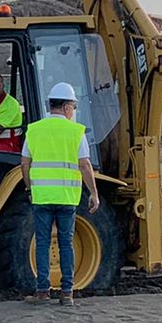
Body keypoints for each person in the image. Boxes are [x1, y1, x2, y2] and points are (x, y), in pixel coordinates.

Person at [19, 81, 98, 305]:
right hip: (67, 199)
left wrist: (29, 187)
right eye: (73, 106)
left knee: (42, 243)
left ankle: (42, 292)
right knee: (66, 244)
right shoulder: (76, 132)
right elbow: (84, 165)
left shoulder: (34, 130)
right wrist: (94, 193)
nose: (73, 111)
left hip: (42, 198)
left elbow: (25, 164)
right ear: (65, 108)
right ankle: (67, 293)